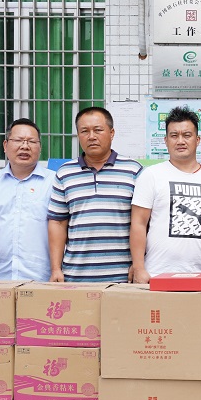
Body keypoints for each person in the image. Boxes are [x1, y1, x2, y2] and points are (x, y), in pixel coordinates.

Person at [48, 107, 142, 283]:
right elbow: (57, 223)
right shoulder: (65, 173)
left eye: (98, 130)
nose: (91, 136)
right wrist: (55, 268)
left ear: (111, 133)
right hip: (75, 277)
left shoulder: (133, 170)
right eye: (84, 131)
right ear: (78, 135)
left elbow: (144, 223)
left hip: (123, 278)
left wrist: (138, 264)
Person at [130, 107, 201, 282]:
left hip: (200, 275)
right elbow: (138, 224)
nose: (180, 141)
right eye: (174, 135)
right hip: (156, 273)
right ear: (166, 140)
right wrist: (139, 267)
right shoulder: (151, 175)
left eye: (187, 135)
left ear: (197, 140)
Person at [0, 118, 54, 282]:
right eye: (18, 140)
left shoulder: (54, 182)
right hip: (0, 276)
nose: (25, 146)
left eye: (31, 141)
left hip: (42, 277)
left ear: (40, 147)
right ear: (5, 145)